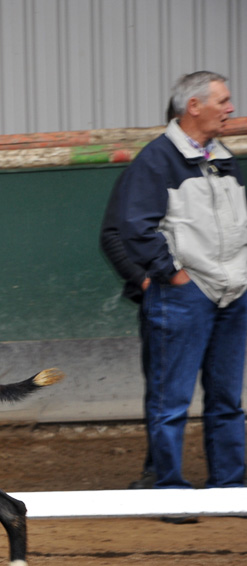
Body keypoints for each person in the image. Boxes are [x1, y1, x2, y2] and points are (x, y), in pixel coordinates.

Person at [108, 71, 247, 493]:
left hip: (232, 293)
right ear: (194, 107)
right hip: (186, 295)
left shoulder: (223, 158)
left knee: (226, 401)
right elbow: (132, 227)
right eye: (222, 101)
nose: (230, 108)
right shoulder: (156, 159)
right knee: (171, 403)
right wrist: (172, 274)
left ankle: (231, 485)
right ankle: (169, 487)